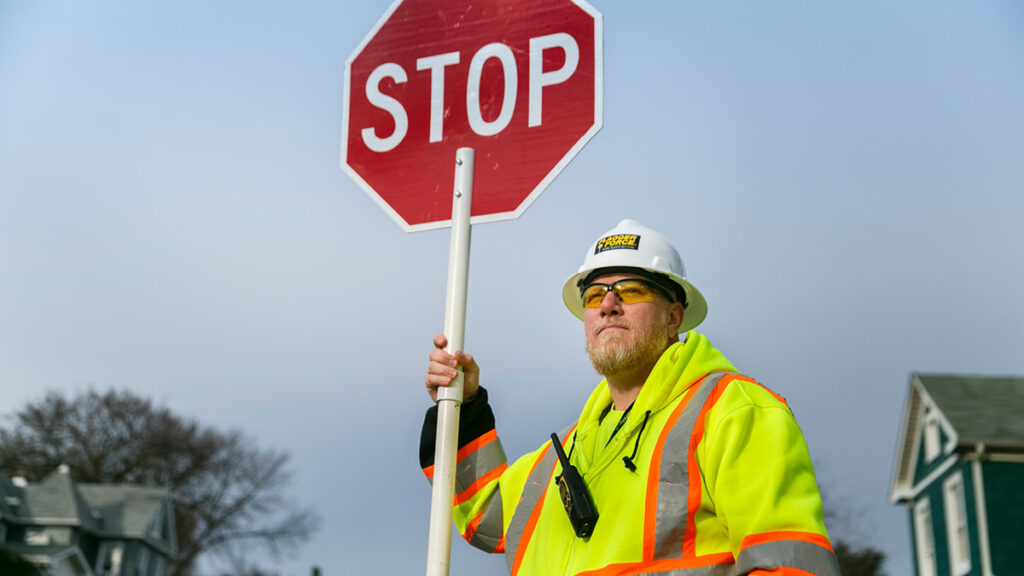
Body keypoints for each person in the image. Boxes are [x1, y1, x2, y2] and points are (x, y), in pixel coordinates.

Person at [421, 219, 839, 575]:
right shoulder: (568, 451)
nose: (608, 304)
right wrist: (464, 407)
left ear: (674, 316)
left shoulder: (734, 411)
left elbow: (788, 562)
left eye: (632, 291)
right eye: (593, 295)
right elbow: (486, 516)